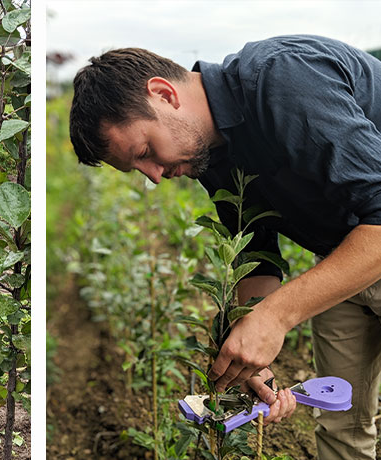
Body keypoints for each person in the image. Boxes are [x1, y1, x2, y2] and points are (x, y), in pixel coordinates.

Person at [69, 35, 381, 460]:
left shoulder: (284, 79)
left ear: (163, 94)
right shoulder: (209, 153)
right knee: (342, 423)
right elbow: (258, 251)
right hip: (345, 260)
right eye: (138, 168)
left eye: (145, 151)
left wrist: (275, 316)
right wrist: (251, 349)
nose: (155, 176)